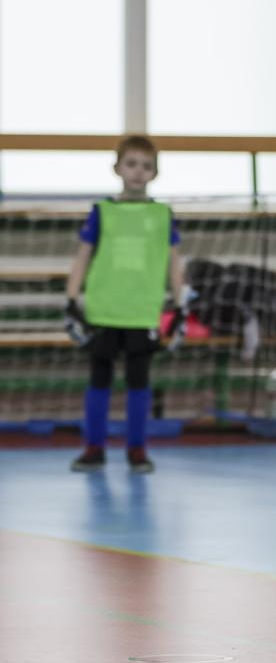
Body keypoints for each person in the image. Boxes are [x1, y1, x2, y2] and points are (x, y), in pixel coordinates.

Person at [63, 135, 186, 474]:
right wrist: (71, 299)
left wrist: (180, 305)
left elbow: (174, 264)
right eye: (131, 164)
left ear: (155, 173)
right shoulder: (102, 212)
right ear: (117, 167)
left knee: (139, 381)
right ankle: (94, 448)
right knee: (99, 379)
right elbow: (82, 257)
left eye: (146, 166)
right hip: (103, 310)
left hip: (143, 311)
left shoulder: (163, 215)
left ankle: (137, 449)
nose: (138, 172)